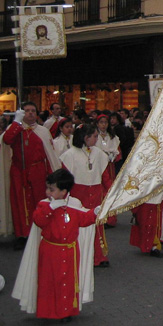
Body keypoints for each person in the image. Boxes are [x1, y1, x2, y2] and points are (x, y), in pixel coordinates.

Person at [12, 169, 98, 320]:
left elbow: (83, 220)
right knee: (50, 282)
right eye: (48, 189)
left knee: (68, 281)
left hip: (70, 251)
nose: (48, 193)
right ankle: (49, 311)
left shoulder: (73, 204)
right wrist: (52, 207)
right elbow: (39, 220)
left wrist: (96, 212)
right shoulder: (44, 205)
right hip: (51, 251)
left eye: (52, 189)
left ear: (64, 191)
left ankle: (66, 311)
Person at [3, 102, 60, 249]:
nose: (30, 113)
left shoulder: (42, 131)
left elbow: (50, 154)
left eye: (32, 111)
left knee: (38, 201)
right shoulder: (15, 129)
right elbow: (7, 140)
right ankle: (22, 234)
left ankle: (39, 232)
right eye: (26, 111)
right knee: (20, 203)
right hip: (18, 170)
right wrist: (16, 122)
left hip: (38, 171)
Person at [59, 124, 112, 268]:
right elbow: (65, 179)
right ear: (85, 137)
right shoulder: (70, 154)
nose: (96, 139)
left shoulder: (99, 153)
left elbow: (105, 175)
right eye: (94, 136)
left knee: (97, 224)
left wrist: (111, 192)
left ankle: (99, 256)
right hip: (78, 194)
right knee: (80, 225)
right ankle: (80, 256)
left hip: (95, 193)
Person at [130, 189, 163, 258]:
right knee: (145, 223)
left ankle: (153, 246)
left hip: (156, 199)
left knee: (154, 223)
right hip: (145, 199)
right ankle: (149, 245)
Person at [94, 114, 120, 227]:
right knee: (100, 190)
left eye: (105, 122)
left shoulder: (112, 136)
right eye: (101, 122)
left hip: (109, 167)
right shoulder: (95, 136)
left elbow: (118, 151)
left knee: (110, 190)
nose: (103, 125)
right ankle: (99, 216)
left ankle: (110, 218)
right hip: (98, 167)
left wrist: (112, 156)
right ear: (97, 124)